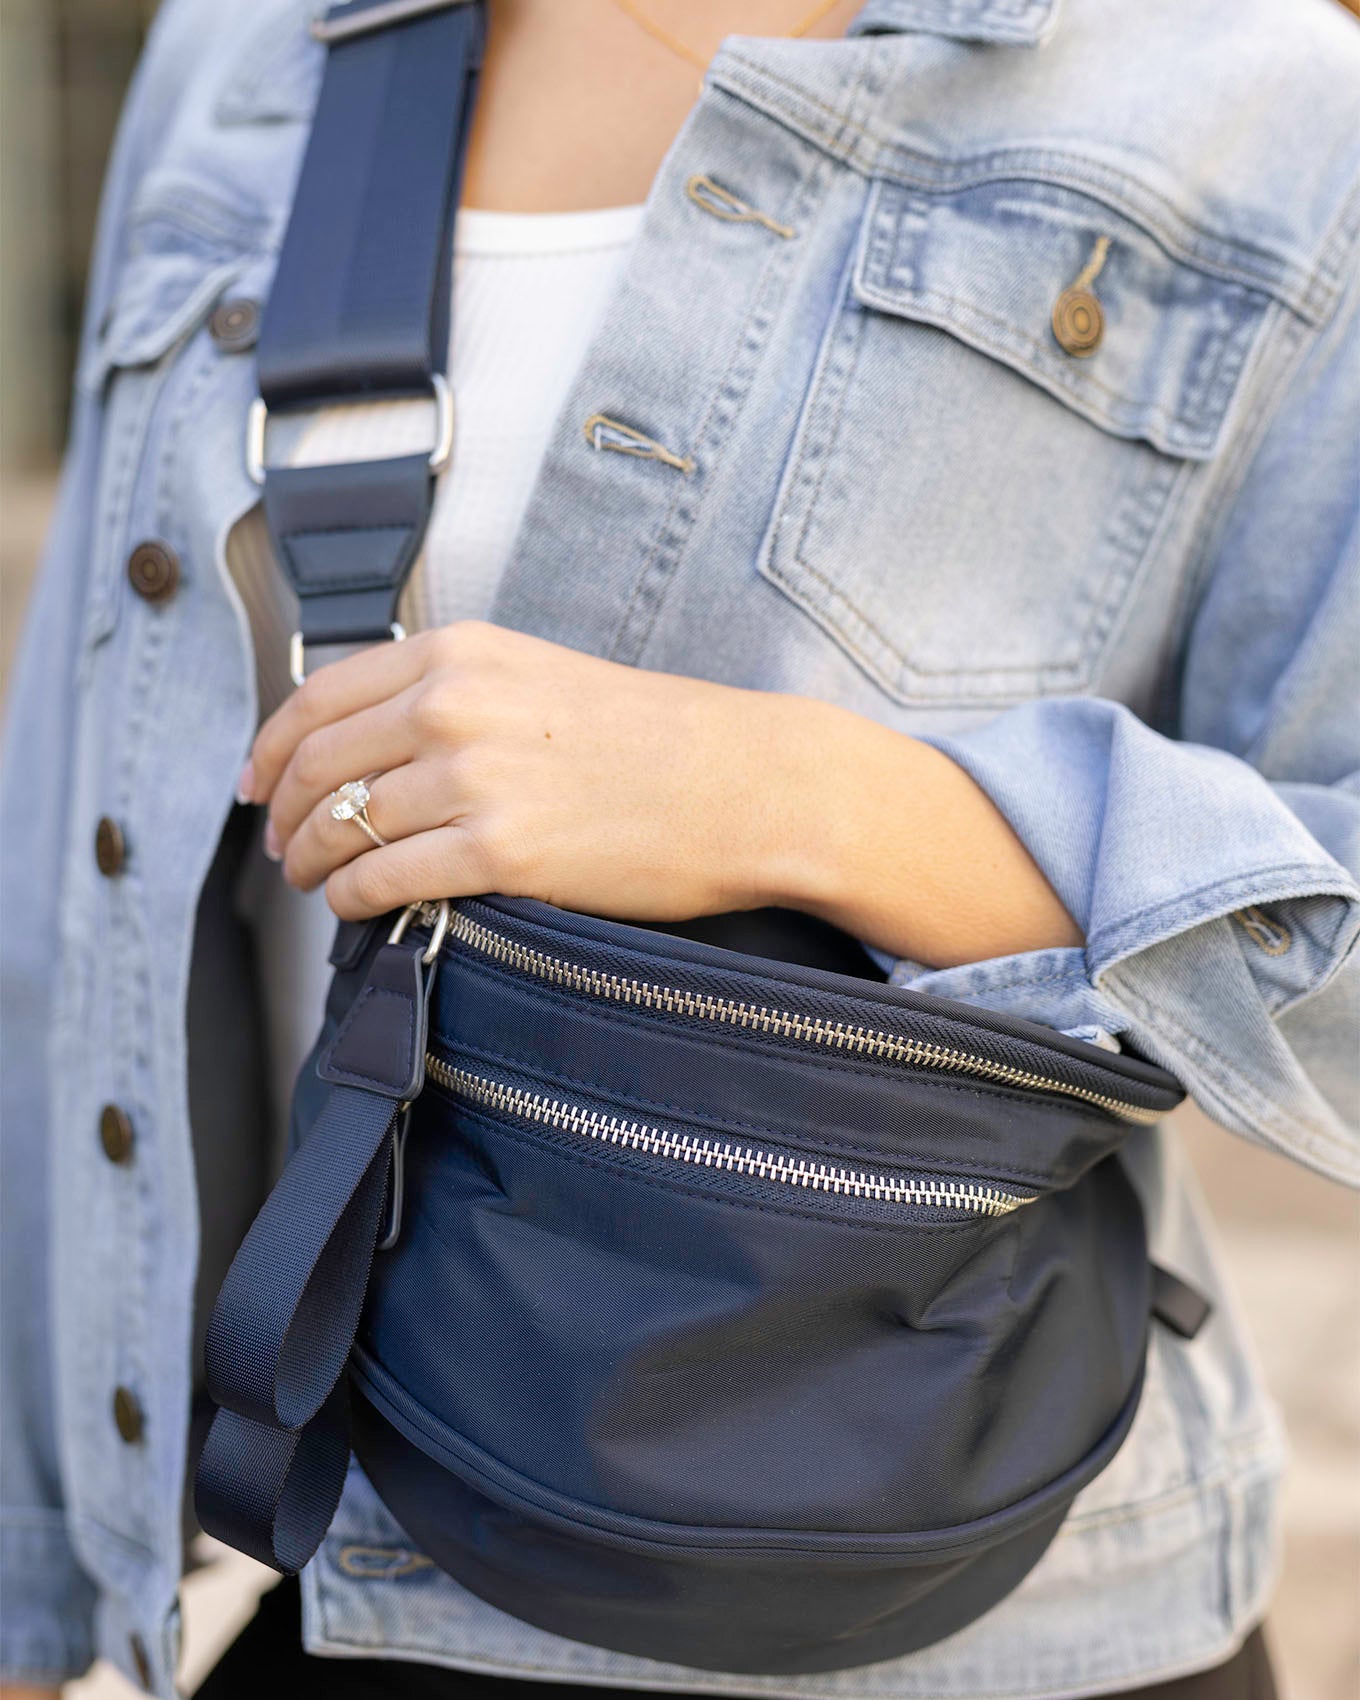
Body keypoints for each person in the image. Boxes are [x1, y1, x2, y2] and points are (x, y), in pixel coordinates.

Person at [2, 0, 1357, 1695]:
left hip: (981, 1602)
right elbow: (71, 869)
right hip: (345, 1562)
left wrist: (783, 797)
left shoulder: (1256, 92)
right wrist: (34, 1595)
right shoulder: (254, 44)